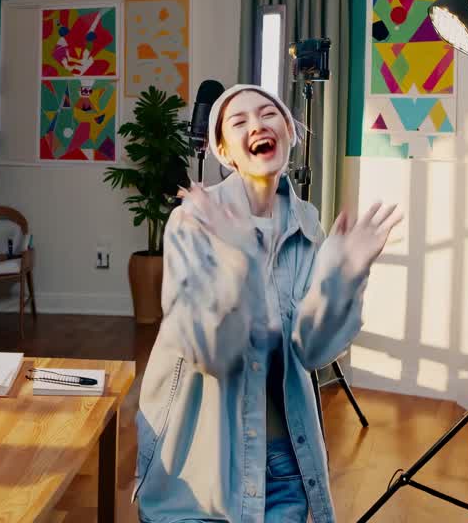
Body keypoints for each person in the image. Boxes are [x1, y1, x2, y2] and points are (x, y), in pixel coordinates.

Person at [133, 84, 402, 523]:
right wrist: (237, 260)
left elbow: (311, 350)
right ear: (224, 151)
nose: (257, 125)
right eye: (239, 122)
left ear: (290, 133)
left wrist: (345, 276)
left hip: (282, 466)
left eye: (268, 114)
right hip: (199, 469)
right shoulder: (195, 219)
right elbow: (210, 353)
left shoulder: (306, 222)